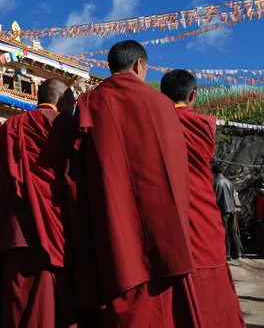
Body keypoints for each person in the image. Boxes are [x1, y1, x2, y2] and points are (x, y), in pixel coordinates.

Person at [66, 40, 199, 327]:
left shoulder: (90, 101)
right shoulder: (162, 104)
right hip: (160, 222)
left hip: (110, 219)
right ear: (139, 65)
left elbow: (76, 170)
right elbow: (176, 169)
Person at [0, 78, 77, 328]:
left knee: (20, 304)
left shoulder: (10, 127)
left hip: (18, 228)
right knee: (60, 304)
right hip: (60, 227)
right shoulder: (68, 126)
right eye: (72, 101)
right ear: (62, 101)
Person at [161, 69, 244, 327]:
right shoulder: (202, 124)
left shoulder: (153, 122)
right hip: (201, 210)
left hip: (163, 212)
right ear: (193, 95)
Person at [213, 164, 243, 261]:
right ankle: (238, 253)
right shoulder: (229, 182)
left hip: (223, 209)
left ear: (214, 172)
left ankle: (227, 254)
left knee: (224, 232)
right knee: (233, 232)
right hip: (232, 209)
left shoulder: (215, 182)